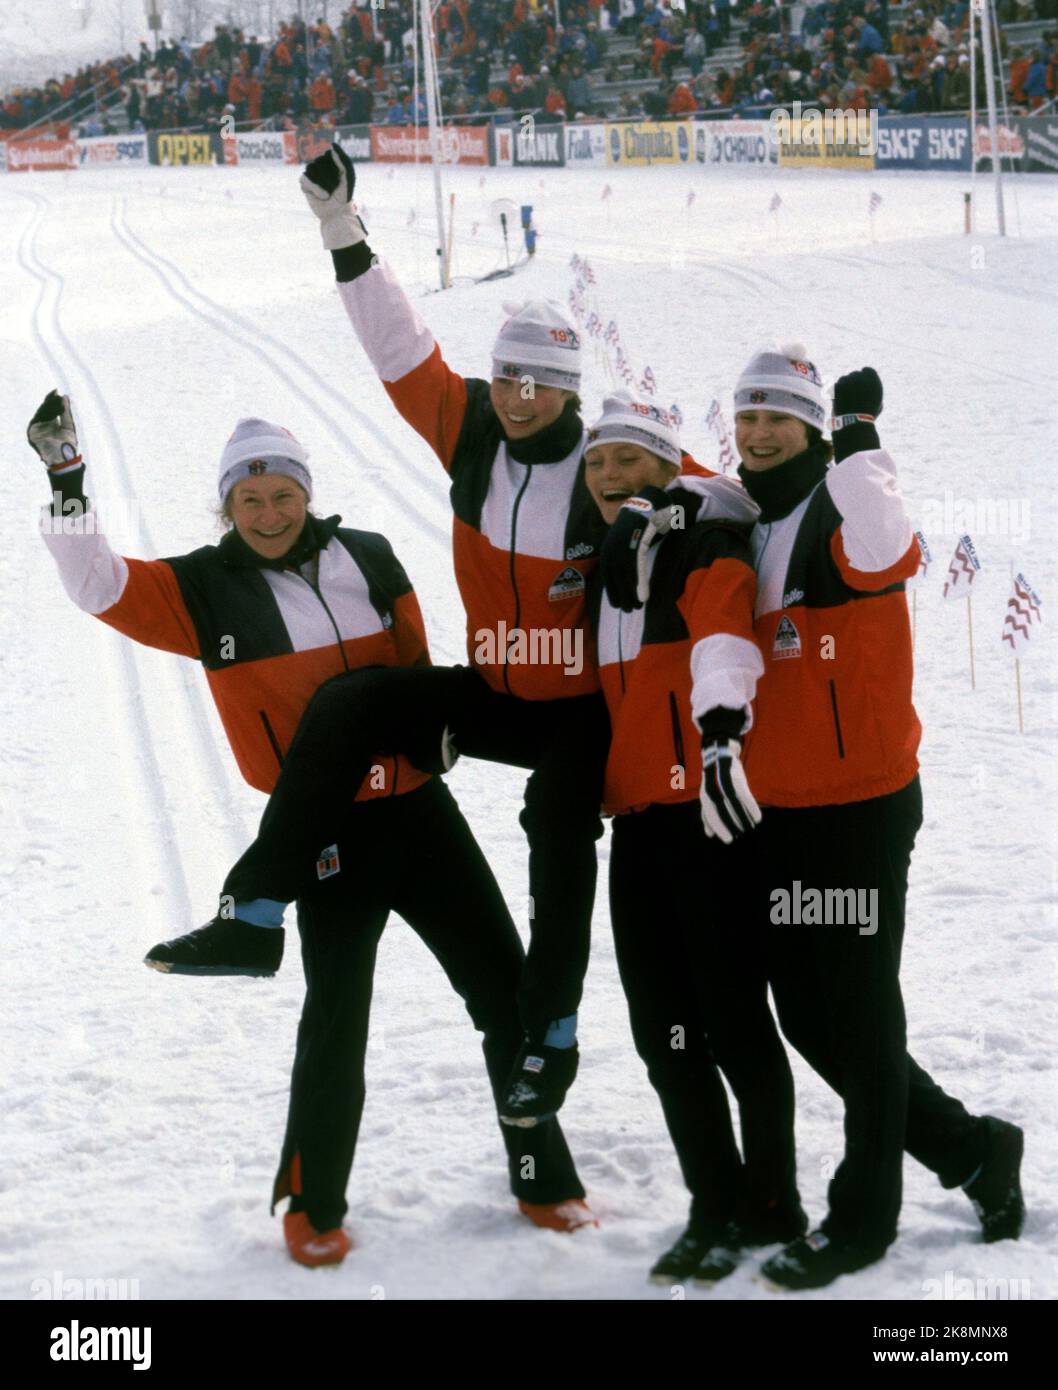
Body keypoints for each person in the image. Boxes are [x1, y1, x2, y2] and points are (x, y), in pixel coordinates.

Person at [28, 392, 592, 1263]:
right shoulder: (202, 588)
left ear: (305, 493)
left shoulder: (367, 555)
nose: (267, 512)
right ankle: (311, 1202)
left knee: (505, 989)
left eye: (282, 494)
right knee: (337, 1017)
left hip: (417, 812)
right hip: (323, 830)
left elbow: (410, 673)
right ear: (226, 507)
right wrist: (69, 482)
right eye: (248, 500)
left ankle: (543, 1176)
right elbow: (97, 585)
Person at [151, 144, 614, 1130]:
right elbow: (399, 347)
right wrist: (340, 230)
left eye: (543, 382)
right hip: (493, 689)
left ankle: (551, 1034)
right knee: (354, 704)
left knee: (557, 836)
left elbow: (723, 500)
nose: (523, 395)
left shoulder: (611, 464)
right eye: (510, 379)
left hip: (574, 711)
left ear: (572, 389)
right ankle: (255, 913)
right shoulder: (472, 430)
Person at [602, 347, 1026, 1289]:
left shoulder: (840, 505)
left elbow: (889, 548)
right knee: (810, 1018)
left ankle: (863, 1220)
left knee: (862, 1016)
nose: (758, 434)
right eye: (747, 417)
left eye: (778, 419)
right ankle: (975, 1150)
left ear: (813, 428)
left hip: (862, 808)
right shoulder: (746, 517)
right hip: (780, 812)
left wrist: (864, 444)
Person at [587, 392, 807, 1284]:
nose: (610, 476)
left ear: (668, 465)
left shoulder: (703, 537)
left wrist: (719, 735)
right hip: (638, 826)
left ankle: (772, 1200)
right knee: (664, 1032)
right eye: (599, 462)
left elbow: (724, 622)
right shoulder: (614, 561)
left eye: (630, 459)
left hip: (709, 818)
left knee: (733, 1022)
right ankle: (715, 1200)